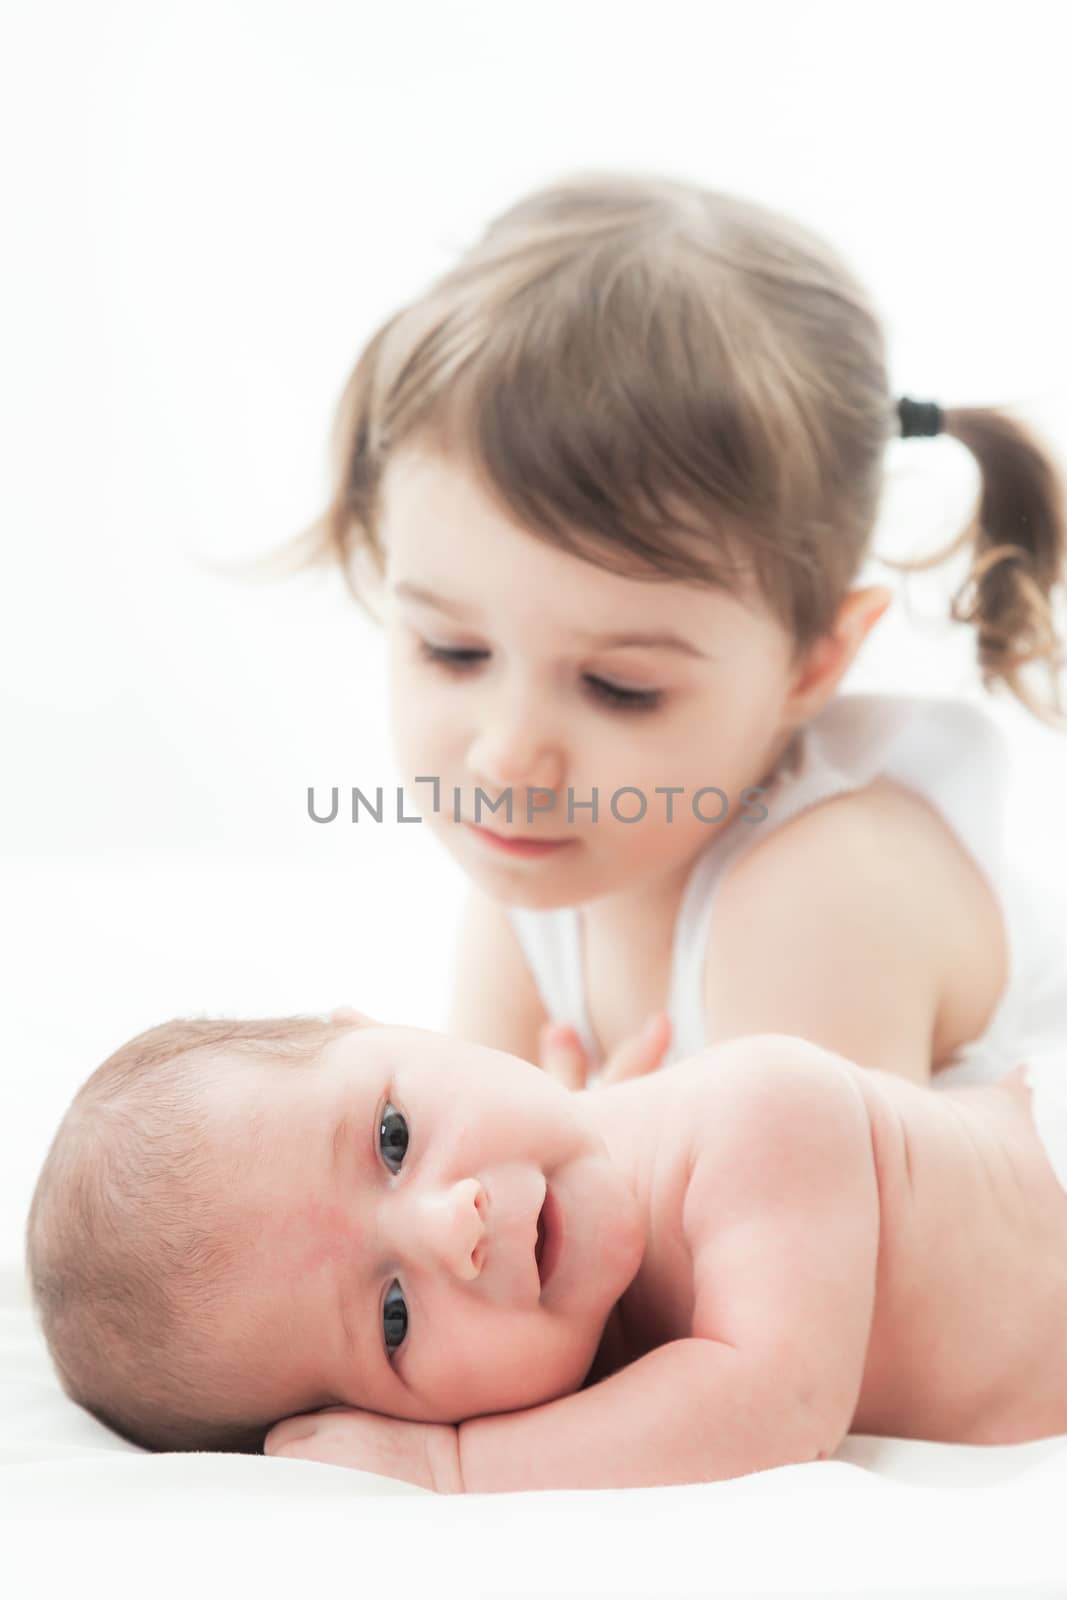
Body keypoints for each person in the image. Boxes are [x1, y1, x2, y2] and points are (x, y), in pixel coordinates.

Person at [286, 170, 1067, 1093]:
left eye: (620, 688)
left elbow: (807, 1241)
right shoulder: (535, 884)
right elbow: (469, 1178)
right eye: (452, 651)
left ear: (814, 662)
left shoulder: (822, 900)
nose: (504, 759)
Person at [23, 1010, 1067, 1490]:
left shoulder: (759, 1114)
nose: (454, 1226)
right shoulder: (597, 1376)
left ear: (389, 1024)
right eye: (392, 1317)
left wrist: (455, 1467)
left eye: (391, 1137)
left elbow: (779, 1408)